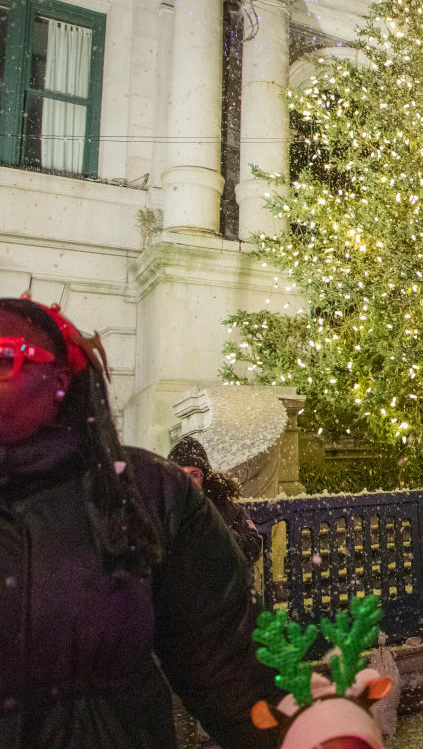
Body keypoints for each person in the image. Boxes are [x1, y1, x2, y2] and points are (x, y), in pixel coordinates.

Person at [0, 295, 279, 748]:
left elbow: (229, 665)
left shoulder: (147, 492)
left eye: (5, 359)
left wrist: (307, 733)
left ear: (61, 378)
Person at [169, 435, 263, 565]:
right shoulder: (160, 508)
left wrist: (220, 534)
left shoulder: (227, 509)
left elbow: (253, 548)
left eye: (195, 475)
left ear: (205, 477)